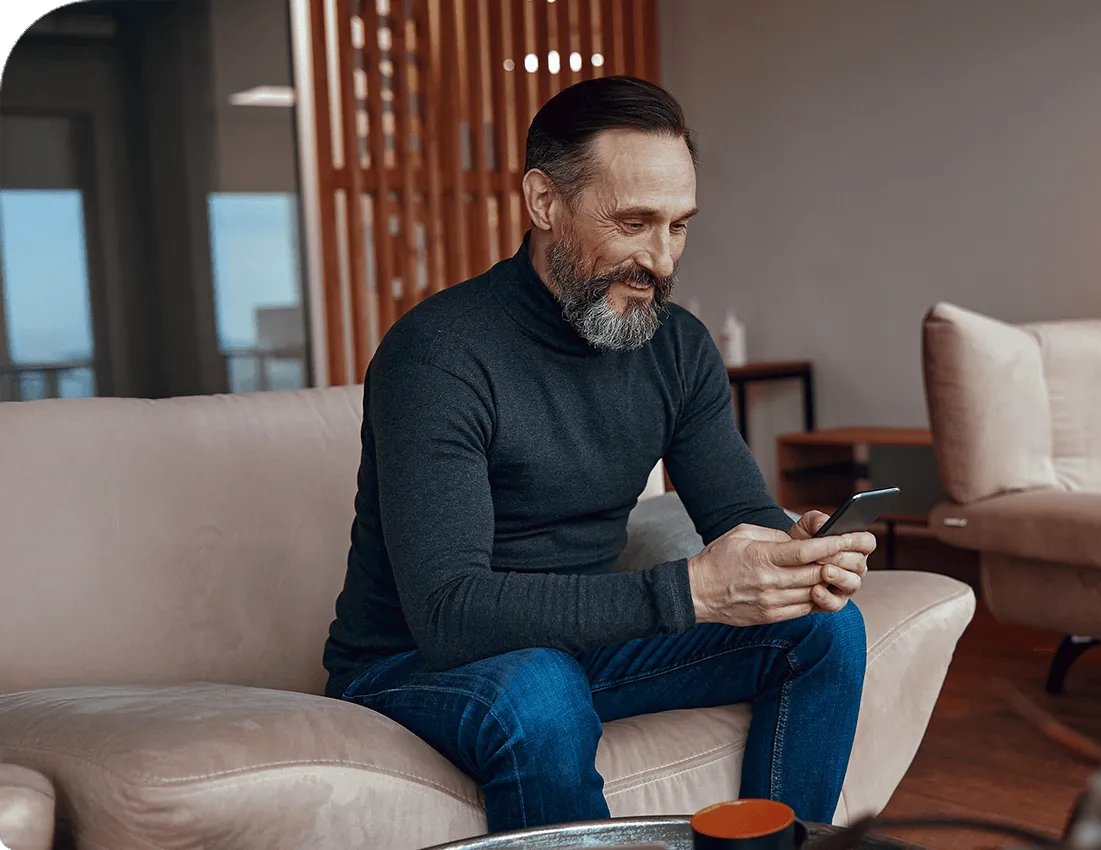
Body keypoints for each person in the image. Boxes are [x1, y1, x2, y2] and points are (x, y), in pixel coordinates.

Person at [322, 75, 874, 832]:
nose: (661, 259)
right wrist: (693, 593)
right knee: (538, 686)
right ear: (545, 202)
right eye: (635, 222)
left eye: (679, 226)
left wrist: (798, 558)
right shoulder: (439, 355)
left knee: (825, 626)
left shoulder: (675, 347)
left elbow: (738, 515)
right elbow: (450, 612)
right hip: (413, 664)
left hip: (582, 645)